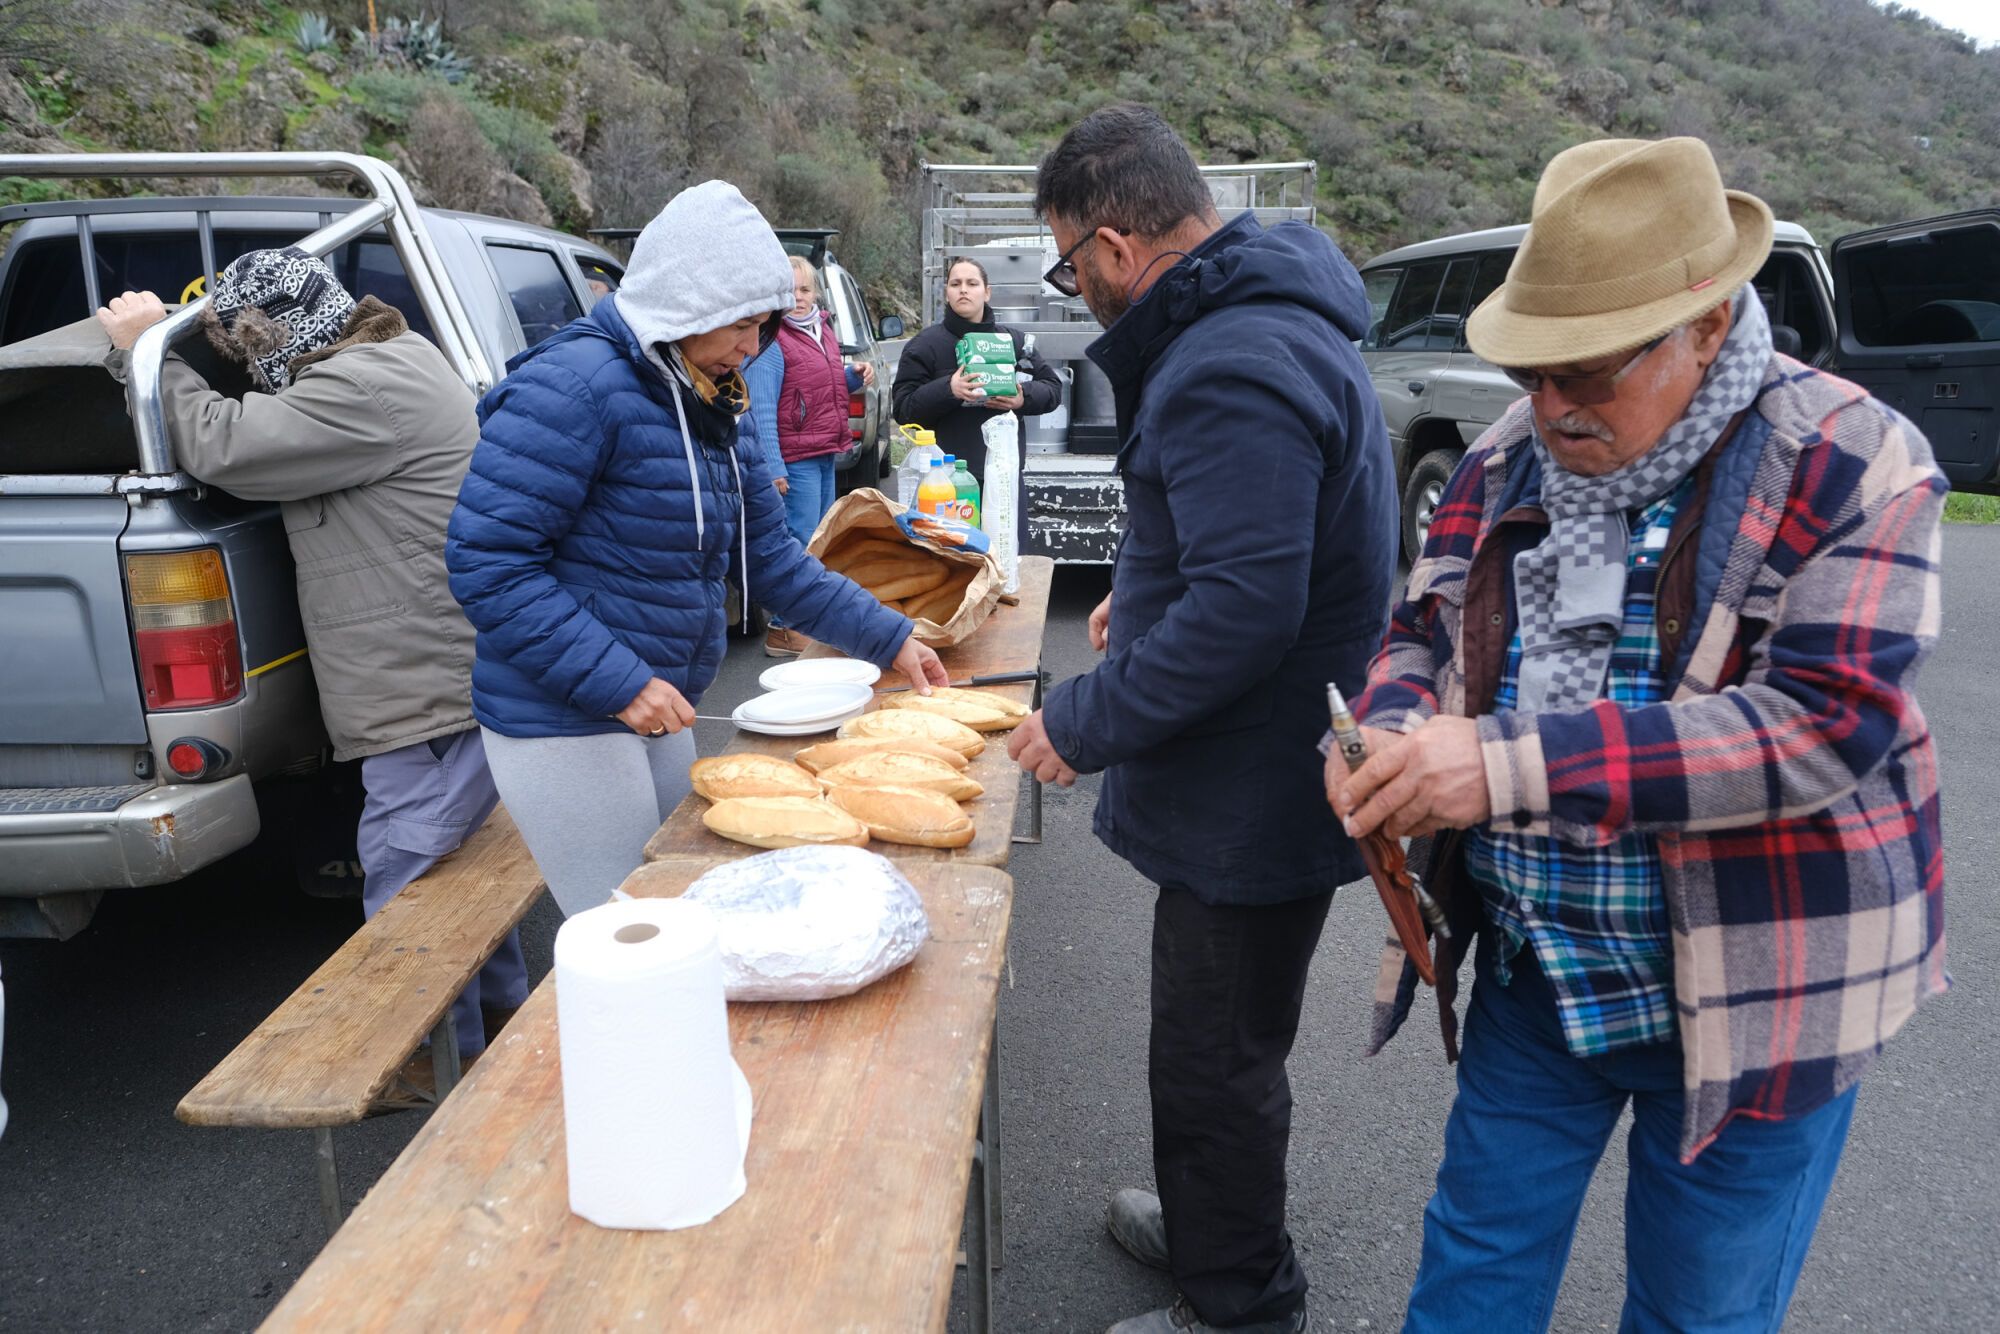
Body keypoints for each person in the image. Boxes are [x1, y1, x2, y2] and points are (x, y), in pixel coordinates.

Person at [1327, 138, 1948, 1333]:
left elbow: (1820, 726)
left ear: (1706, 325)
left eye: (1585, 372)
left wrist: (1501, 764)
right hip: (1541, 977)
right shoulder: (1505, 454)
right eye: (1530, 369)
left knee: (1695, 1311)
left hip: (1760, 990)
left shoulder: (1854, 459)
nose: (1549, 405)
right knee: (1468, 1281)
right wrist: (1389, 728)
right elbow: (1418, 626)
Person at [1008, 104, 1397, 1334]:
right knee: (1216, 1036)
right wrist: (1141, 585)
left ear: (1116, 246)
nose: (1073, 289)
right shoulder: (1258, 324)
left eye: (1067, 265)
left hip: (1250, 786)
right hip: (1260, 764)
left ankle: (1237, 1300)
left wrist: (1080, 720)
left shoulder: (1228, 358)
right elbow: (1244, 546)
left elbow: (1243, 609)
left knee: (1214, 1054)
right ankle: (1208, 1225)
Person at [446, 181, 947, 918]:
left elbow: (771, 558)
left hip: (657, 698)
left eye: (764, 324)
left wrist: (890, 636)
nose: (752, 346)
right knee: (631, 928)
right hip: (561, 713)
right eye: (740, 324)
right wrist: (621, 684)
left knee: (682, 900)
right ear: (682, 307)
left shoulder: (715, 396)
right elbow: (488, 564)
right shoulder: (571, 388)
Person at [94, 252, 527, 1071]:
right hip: (439, 672)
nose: (253, 372)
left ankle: (426, 1060)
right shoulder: (394, 355)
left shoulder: (360, 389)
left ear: (283, 338)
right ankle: (494, 1029)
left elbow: (223, 444)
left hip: (423, 683)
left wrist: (143, 352)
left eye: (250, 353)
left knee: (406, 868)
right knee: (452, 859)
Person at [758, 254, 877, 658]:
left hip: (824, 450)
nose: (798, 297)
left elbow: (818, 388)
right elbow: (761, 409)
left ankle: (808, 620)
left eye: (805, 289)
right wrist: (772, 467)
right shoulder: (771, 340)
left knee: (820, 540)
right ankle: (782, 627)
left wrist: (851, 377)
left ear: (816, 293)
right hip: (795, 459)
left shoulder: (820, 330)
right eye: (789, 290)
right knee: (799, 541)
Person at [890, 255, 1061, 525]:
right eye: (955, 284)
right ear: (946, 293)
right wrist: (949, 389)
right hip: (944, 484)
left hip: (1003, 479)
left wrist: (1021, 398)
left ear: (987, 292)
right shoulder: (924, 346)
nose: (963, 290)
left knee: (1004, 550)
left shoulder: (1013, 342)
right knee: (954, 551)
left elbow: (1052, 389)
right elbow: (903, 409)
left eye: (972, 283)